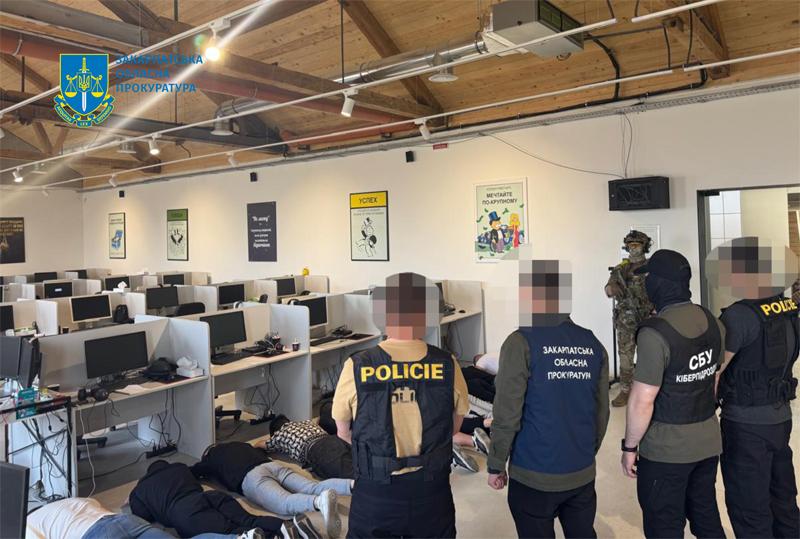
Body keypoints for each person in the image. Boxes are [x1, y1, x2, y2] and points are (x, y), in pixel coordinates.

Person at [332, 272, 469, 538]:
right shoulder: (447, 363)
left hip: (375, 491)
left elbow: (344, 432)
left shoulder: (357, 365)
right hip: (431, 490)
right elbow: (452, 428)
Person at [488, 255, 609, 539]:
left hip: (534, 474)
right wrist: (584, 452)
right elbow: (601, 411)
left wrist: (496, 463)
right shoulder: (592, 343)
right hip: (581, 471)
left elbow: (507, 412)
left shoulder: (520, 342)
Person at [621, 249, 726, 539]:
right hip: (707, 442)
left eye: (649, 278)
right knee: (705, 518)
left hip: (666, 451)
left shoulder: (655, 333)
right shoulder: (713, 322)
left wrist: (629, 448)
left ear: (659, 283)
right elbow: (714, 379)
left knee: (664, 526)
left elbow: (642, 401)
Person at [709, 236, 800, 538]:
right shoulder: (787, 308)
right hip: (780, 418)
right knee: (783, 501)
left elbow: (715, 371)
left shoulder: (738, 316)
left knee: (749, 508)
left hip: (745, 424)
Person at [191, 441, 348, 538]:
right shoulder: (240, 444)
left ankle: (318, 502)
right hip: (271, 465)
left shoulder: (210, 459)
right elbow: (260, 449)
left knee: (284, 502)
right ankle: (353, 485)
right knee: (311, 486)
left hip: (251, 477)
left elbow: (192, 471)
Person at [129, 460, 316, 539]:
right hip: (209, 496)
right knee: (250, 519)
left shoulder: (141, 489)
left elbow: (142, 516)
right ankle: (289, 526)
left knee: (230, 533)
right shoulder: (179, 467)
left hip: (185, 512)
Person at [25, 496, 269, 539]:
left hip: (93, 534)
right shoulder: (74, 501)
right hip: (124, 521)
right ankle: (240, 538)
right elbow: (99, 508)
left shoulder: (29, 524)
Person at [605, 230, 654, 407]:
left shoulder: (652, 267)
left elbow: (661, 288)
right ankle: (626, 390)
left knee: (650, 355)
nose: (633, 248)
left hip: (649, 319)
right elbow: (608, 289)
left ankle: (649, 390)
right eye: (630, 245)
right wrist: (611, 288)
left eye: (637, 244)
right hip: (626, 321)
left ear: (644, 246)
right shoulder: (620, 269)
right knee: (625, 357)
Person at [267, 415, 354, 480]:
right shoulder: (306, 422)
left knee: (351, 475)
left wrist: (271, 438)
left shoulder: (280, 433)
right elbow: (318, 419)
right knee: (357, 462)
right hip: (333, 439)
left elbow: (263, 444)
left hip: (317, 449)